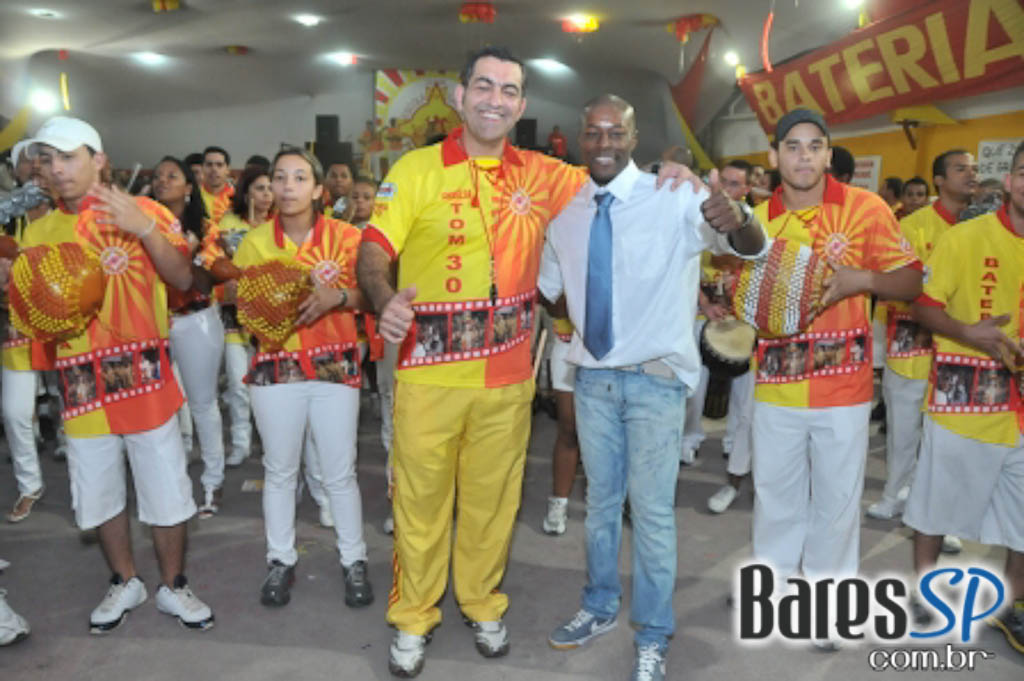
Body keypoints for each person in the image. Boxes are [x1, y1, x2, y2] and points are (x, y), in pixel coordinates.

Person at [357, 47, 694, 678]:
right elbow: (374, 248)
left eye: (508, 90)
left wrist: (672, 172)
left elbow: (613, 175)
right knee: (421, 505)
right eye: (484, 86)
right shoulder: (416, 168)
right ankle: (413, 617)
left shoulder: (542, 174)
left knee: (494, 503)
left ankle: (482, 603)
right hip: (429, 376)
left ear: (521, 106)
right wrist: (382, 298)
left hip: (508, 378)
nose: (495, 99)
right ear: (461, 96)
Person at [540, 94, 765, 681]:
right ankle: (598, 606)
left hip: (657, 382)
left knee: (653, 513)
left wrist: (739, 216)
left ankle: (654, 632)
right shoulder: (564, 210)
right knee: (600, 506)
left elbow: (747, 245)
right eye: (594, 133)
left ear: (633, 139)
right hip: (593, 380)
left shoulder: (673, 194)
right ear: (581, 139)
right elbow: (548, 289)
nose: (605, 143)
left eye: (616, 132)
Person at [7, 116, 214, 632]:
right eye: (48, 159)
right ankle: (125, 580)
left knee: (166, 492)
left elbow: (183, 278)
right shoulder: (39, 229)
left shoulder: (145, 211)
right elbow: (39, 309)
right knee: (99, 493)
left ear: (98, 159)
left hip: (144, 377)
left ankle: (174, 585)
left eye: (68, 156)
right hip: (81, 381)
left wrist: (143, 227)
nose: (57, 168)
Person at [748, 109, 921, 648]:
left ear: (828, 154)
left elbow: (911, 280)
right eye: (792, 146)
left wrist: (861, 279)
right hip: (775, 383)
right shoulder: (756, 220)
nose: (803, 156)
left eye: (814, 146)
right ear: (774, 156)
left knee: (837, 501)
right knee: (775, 496)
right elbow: (736, 293)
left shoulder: (865, 208)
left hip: (844, 387)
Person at [231, 147, 373, 610]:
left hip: (334, 363)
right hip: (277, 366)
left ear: (317, 190)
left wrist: (339, 298)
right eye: (280, 177)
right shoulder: (256, 242)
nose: (287, 186)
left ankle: (354, 559)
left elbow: (373, 294)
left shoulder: (347, 237)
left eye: (298, 178)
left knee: (339, 471)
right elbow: (242, 303)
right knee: (279, 470)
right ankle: (280, 558)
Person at [906, 140, 1024, 654]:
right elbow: (922, 307)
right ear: (1010, 181)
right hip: (965, 403)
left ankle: (1010, 605)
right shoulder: (965, 238)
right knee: (934, 506)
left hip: (1021, 413)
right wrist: (967, 331)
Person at [867, 149, 976, 523]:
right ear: (939, 181)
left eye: (974, 169)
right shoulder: (913, 227)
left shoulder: (983, 229)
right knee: (903, 433)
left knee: (947, 440)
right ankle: (893, 495)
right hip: (911, 348)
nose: (971, 174)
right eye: (961, 169)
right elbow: (892, 285)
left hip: (961, 351)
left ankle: (941, 512)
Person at [151, 156, 227, 517]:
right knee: (163, 408)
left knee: (202, 404)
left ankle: (212, 482)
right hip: (154, 324)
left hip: (196, 320)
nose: (162, 181)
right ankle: (174, 483)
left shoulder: (205, 228)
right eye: (157, 176)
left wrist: (189, 252)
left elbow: (207, 282)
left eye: (171, 176)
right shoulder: (143, 227)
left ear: (188, 187)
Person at [199, 166, 273, 468]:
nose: (266, 194)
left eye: (269, 188)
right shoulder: (228, 222)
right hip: (233, 314)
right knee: (237, 383)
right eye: (259, 188)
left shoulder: (280, 224)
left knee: (267, 385)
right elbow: (218, 260)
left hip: (269, 317)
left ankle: (270, 443)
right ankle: (241, 443)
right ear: (246, 192)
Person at [2, 140, 58, 523]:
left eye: (44, 158)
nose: (36, 165)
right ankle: (29, 485)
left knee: (73, 403)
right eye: (28, 159)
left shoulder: (69, 213)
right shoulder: (6, 215)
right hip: (17, 326)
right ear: (15, 170)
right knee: (15, 411)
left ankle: (88, 477)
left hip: (67, 329)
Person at [541, 315, 579, 535]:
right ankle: (559, 501)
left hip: (615, 347)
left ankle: (622, 497)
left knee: (613, 431)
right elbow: (552, 304)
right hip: (568, 345)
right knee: (568, 427)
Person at [200, 145, 234, 223]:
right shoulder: (192, 196)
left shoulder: (238, 197)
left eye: (219, 165)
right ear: (202, 168)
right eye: (209, 164)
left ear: (228, 170)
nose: (214, 169)